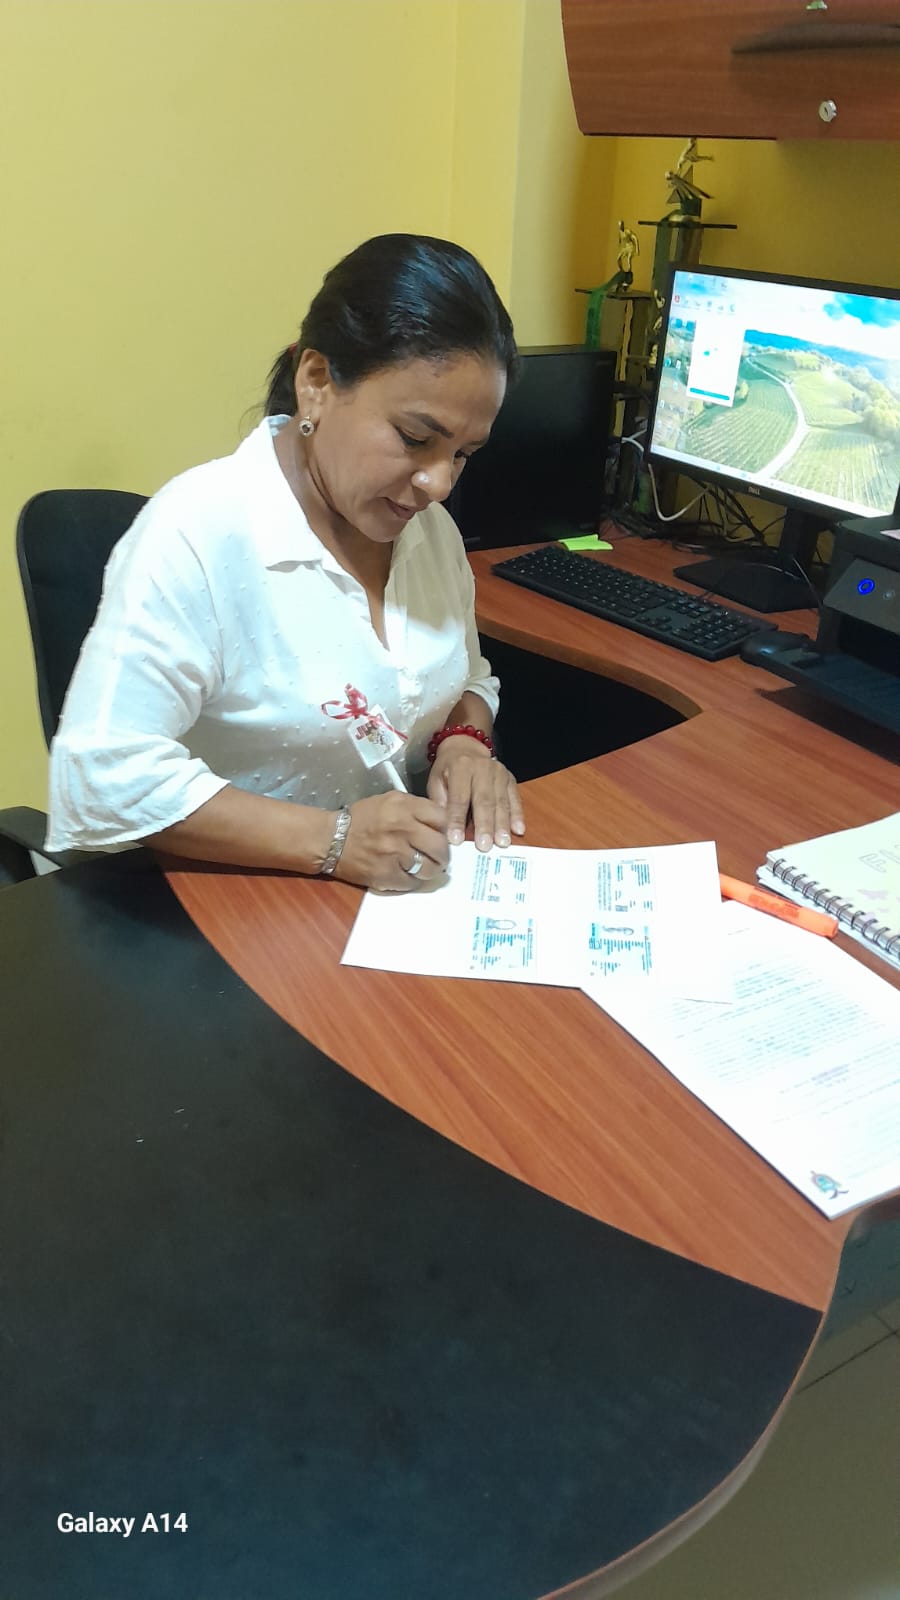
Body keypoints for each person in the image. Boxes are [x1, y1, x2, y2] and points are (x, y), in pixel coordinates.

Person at [46, 234, 526, 892]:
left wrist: (463, 742)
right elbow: (100, 774)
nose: (439, 484)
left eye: (464, 454)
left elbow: (467, 676)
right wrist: (333, 840)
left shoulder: (429, 533)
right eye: (416, 438)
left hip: (388, 894)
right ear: (317, 382)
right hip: (227, 902)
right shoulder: (198, 534)